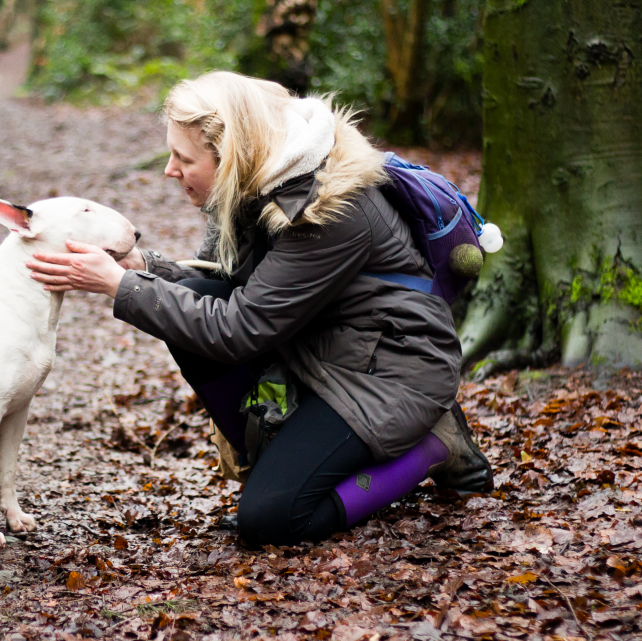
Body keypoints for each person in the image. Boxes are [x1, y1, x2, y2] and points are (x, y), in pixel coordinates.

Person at [26, 71, 492, 547]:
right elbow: (226, 284)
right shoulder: (257, 180)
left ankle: (432, 449)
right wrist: (143, 267)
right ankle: (271, 459)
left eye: (184, 158)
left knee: (271, 520)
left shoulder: (329, 211)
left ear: (230, 156)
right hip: (322, 350)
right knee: (183, 312)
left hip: (389, 375)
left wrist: (120, 285)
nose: (170, 169)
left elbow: (240, 328)